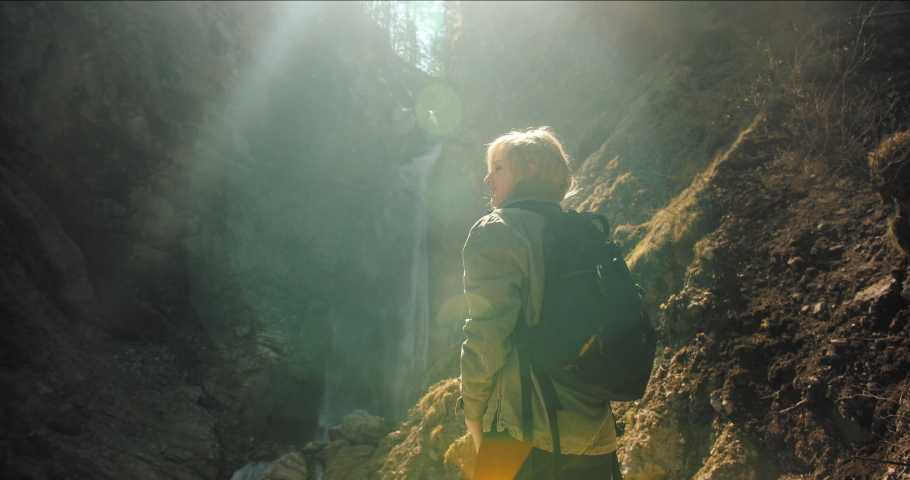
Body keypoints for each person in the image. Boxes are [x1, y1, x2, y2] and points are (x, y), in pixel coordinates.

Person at [458, 127, 620, 480]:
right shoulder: (584, 231)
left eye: (498, 167)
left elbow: (486, 335)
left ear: (529, 167)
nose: (487, 178)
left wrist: (472, 414)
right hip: (596, 434)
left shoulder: (498, 229)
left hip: (523, 432)